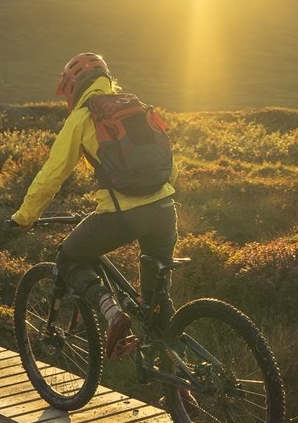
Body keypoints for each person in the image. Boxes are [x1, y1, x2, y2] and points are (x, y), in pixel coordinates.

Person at [10, 52, 177, 359]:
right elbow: (166, 160)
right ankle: (181, 389)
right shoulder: (136, 106)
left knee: (69, 257)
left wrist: (25, 216)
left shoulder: (83, 116)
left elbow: (52, 174)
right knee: (157, 302)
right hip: (165, 210)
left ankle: (112, 314)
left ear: (72, 88)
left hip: (122, 216)